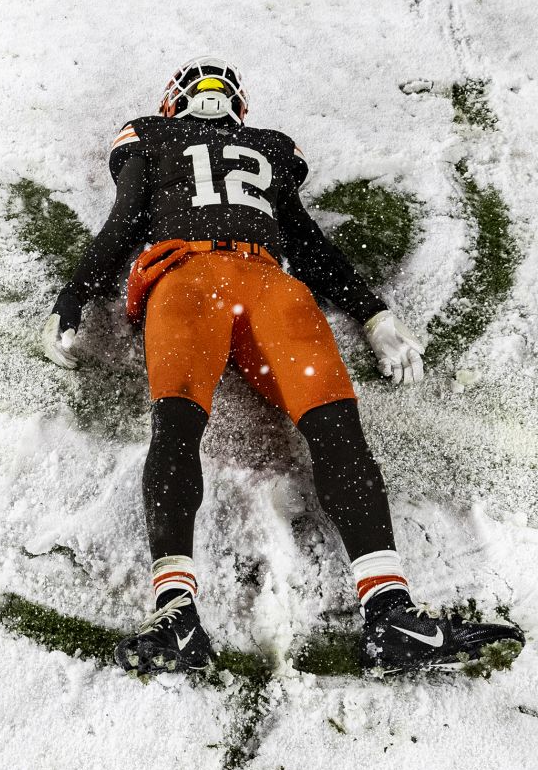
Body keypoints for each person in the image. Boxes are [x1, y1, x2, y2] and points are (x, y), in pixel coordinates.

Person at [40, 57, 523, 676]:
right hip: (247, 282)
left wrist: (74, 296)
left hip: (205, 280)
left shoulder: (164, 137)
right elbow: (297, 238)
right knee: (253, 426)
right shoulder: (252, 145)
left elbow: (134, 220)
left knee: (284, 424)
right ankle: (366, 611)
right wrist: (369, 312)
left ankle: (354, 612)